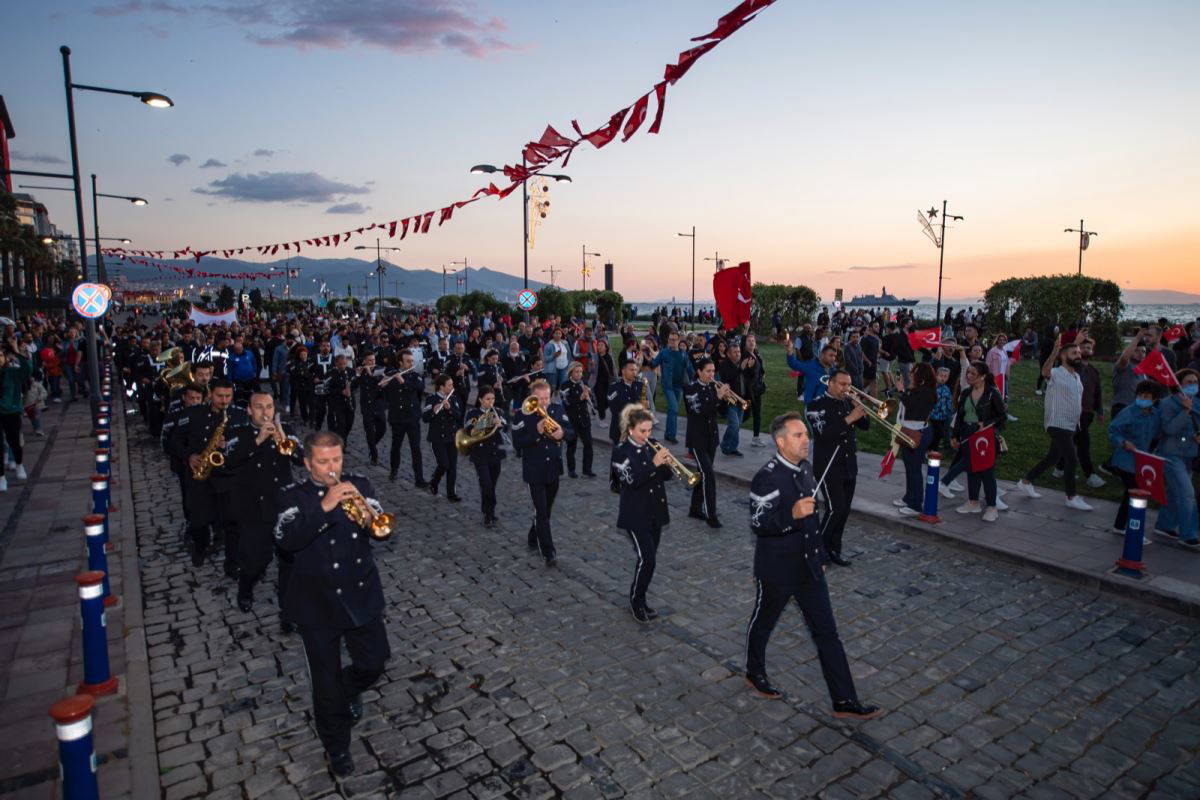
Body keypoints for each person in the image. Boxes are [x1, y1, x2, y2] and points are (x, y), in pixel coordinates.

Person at [742, 411, 882, 720]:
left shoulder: (805, 469)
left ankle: (844, 700)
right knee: (763, 623)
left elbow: (812, 523)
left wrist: (820, 557)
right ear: (781, 442)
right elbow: (759, 524)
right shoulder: (767, 477)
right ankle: (754, 671)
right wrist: (790, 514)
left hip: (808, 568)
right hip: (777, 569)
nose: (806, 440)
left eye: (806, 434)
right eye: (798, 435)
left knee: (828, 633)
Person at [274, 431, 390, 777]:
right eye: (323, 462)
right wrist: (324, 507)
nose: (331, 468)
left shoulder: (360, 484)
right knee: (324, 685)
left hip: (360, 593)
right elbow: (285, 540)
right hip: (317, 602)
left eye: (336, 460)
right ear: (308, 463)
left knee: (374, 662)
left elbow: (380, 527)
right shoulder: (292, 497)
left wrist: (367, 517)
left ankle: (348, 689)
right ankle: (336, 745)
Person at [223, 392, 303, 615]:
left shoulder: (285, 428)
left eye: (269, 407)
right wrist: (258, 440)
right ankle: (245, 590)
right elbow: (229, 460)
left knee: (289, 559)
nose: (265, 412)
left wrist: (282, 439)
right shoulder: (237, 432)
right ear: (249, 410)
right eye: (259, 407)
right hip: (254, 509)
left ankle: (288, 607)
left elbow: (300, 458)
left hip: (283, 506)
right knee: (255, 561)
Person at [167, 378, 247, 568]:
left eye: (228, 396)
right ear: (210, 394)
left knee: (230, 521)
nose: (224, 400)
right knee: (198, 520)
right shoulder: (192, 414)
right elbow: (174, 441)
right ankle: (200, 546)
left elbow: (247, 444)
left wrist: (229, 444)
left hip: (227, 476)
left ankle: (231, 560)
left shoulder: (239, 415)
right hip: (199, 476)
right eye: (220, 396)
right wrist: (188, 456)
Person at [1017, 334, 1093, 511]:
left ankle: (1025, 481)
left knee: (1053, 457)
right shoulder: (1057, 373)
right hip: (1057, 424)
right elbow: (1045, 372)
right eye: (1074, 353)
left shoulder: (1076, 376)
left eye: (1079, 352)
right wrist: (1054, 351)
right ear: (1063, 356)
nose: (1079, 355)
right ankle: (1071, 497)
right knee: (1071, 459)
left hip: (1071, 425)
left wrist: (1076, 343)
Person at [612, 404, 673, 623]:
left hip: (655, 510)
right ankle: (636, 601)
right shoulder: (621, 452)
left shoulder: (652, 445)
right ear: (630, 430)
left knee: (649, 560)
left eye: (649, 430)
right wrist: (653, 464)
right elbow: (632, 482)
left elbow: (666, 477)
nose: (647, 435)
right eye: (642, 431)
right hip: (635, 514)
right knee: (647, 559)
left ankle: (642, 597)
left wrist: (666, 463)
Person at [805, 370, 868, 565]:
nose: (846, 389)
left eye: (849, 384)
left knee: (844, 511)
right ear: (830, 384)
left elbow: (865, 426)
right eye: (842, 384)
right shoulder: (816, 405)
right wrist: (850, 418)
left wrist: (859, 408)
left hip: (849, 464)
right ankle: (816, 552)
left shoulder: (848, 402)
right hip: (829, 465)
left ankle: (833, 549)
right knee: (835, 509)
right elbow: (824, 433)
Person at [512, 379, 572, 565]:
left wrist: (562, 433)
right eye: (540, 399)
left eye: (547, 398)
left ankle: (534, 534)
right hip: (534, 470)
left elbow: (571, 433)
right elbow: (517, 443)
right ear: (532, 398)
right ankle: (548, 552)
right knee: (542, 511)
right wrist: (536, 433)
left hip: (553, 468)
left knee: (546, 510)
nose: (544, 402)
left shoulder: (557, 410)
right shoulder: (522, 415)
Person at [950, 362, 1007, 521]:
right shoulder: (966, 392)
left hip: (985, 436)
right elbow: (959, 416)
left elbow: (1002, 417)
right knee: (972, 469)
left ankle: (992, 506)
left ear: (982, 376)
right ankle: (973, 502)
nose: (968, 376)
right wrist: (955, 436)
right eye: (968, 372)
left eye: (973, 373)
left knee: (987, 471)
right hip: (967, 434)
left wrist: (986, 423)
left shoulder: (992, 393)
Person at [1107, 381, 1163, 536]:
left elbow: (1158, 434)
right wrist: (1123, 442)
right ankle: (1127, 528)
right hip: (1126, 460)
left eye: (1146, 396)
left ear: (1154, 399)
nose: (1142, 399)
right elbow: (1113, 430)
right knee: (1133, 492)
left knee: (1132, 493)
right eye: (1140, 395)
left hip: (1142, 461)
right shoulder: (1129, 412)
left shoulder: (1156, 415)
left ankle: (1122, 526)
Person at [1153, 369, 1199, 547]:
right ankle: (1188, 535)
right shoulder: (1167, 403)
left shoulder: (1197, 402)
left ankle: (1164, 525)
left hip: (1189, 454)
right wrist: (1185, 411)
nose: (1193, 385)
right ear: (1179, 384)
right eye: (1189, 382)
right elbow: (1169, 429)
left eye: (1196, 382)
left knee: (1174, 492)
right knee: (1187, 493)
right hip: (1170, 454)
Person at [683, 359, 727, 528]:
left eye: (713, 371)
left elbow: (719, 412)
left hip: (711, 438)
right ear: (699, 372)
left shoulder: (712, 387)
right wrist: (718, 397)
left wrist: (724, 398)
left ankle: (694, 508)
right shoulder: (690, 389)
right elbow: (699, 410)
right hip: (697, 440)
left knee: (702, 474)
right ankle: (711, 516)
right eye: (708, 371)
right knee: (708, 475)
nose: (711, 374)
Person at [895, 363, 937, 517]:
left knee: (915, 469)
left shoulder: (927, 392)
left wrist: (901, 390)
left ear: (922, 377)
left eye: (914, 373)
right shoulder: (918, 390)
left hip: (917, 432)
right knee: (909, 467)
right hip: (908, 430)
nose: (911, 375)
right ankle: (909, 497)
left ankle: (916, 504)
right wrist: (906, 390)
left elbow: (912, 408)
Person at [464, 386, 506, 527]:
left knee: (491, 484)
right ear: (481, 399)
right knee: (486, 484)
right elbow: (470, 430)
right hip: (480, 454)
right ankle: (488, 514)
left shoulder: (498, 411)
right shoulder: (473, 413)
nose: (491, 402)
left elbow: (506, 426)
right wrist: (488, 422)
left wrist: (500, 424)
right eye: (487, 399)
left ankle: (489, 511)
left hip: (495, 453)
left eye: (493, 399)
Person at [382, 351, 426, 485]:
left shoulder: (415, 376)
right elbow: (382, 392)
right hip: (397, 418)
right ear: (401, 362)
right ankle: (394, 470)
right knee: (396, 446)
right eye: (408, 361)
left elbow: (419, 388)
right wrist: (384, 384)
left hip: (412, 417)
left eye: (412, 361)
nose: (411, 363)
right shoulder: (392, 375)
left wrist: (402, 381)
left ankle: (419, 478)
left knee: (416, 448)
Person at [422, 374, 463, 502]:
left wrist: (449, 408)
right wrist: (434, 410)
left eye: (452, 384)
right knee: (444, 464)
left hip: (451, 437)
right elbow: (425, 418)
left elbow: (458, 415)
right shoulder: (431, 399)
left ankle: (451, 494)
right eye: (449, 385)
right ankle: (434, 482)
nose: (452, 387)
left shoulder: (453, 398)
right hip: (437, 438)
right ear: (441, 387)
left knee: (452, 467)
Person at [607, 360, 645, 490]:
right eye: (631, 370)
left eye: (635, 370)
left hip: (636, 428)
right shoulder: (615, 387)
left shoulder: (639, 385)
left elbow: (644, 403)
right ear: (623, 371)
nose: (634, 372)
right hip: (620, 428)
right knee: (618, 455)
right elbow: (614, 410)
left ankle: (632, 480)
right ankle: (615, 482)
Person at [0, 341, 33, 489]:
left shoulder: (12, 373)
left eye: (1, 355)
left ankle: (19, 464)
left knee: (14, 441)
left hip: (11, 412)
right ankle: (1, 477)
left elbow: (27, 369)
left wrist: (16, 352)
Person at [652, 332, 693, 444]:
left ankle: (668, 434)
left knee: (672, 409)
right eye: (670, 339)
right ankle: (671, 435)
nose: (671, 341)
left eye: (674, 339)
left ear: (679, 341)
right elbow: (654, 363)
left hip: (679, 386)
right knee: (674, 408)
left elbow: (689, 368)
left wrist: (696, 379)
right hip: (668, 386)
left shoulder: (683, 354)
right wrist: (646, 356)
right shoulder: (664, 352)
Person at [560, 361, 596, 479]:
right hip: (572, 420)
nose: (579, 374)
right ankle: (571, 470)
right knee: (572, 445)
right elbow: (567, 402)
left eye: (581, 372)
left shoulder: (583, 383)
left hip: (584, 419)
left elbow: (591, 401)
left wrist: (589, 395)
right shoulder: (565, 385)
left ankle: (587, 470)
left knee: (588, 444)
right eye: (577, 372)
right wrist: (581, 397)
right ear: (571, 373)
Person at [353, 353, 387, 465]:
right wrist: (357, 375)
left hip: (378, 405)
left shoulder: (379, 370)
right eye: (370, 360)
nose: (372, 362)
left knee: (382, 429)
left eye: (373, 360)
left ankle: (372, 444)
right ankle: (374, 454)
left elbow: (379, 383)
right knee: (369, 432)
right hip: (366, 406)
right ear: (365, 361)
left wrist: (370, 373)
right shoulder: (361, 372)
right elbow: (353, 386)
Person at [786, 341, 839, 405]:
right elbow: (794, 364)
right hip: (812, 405)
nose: (833, 358)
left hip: (828, 404)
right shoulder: (811, 366)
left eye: (835, 356)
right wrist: (789, 351)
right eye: (830, 355)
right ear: (822, 355)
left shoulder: (833, 370)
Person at [741, 335, 767, 447]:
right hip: (749, 391)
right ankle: (732, 430)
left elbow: (759, 370)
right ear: (745, 343)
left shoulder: (756, 354)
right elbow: (744, 372)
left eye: (753, 341)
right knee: (745, 414)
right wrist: (749, 367)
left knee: (756, 414)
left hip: (756, 389)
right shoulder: (745, 356)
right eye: (749, 341)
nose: (751, 342)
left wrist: (762, 375)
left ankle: (756, 438)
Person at [309, 341, 336, 430]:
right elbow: (308, 371)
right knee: (321, 409)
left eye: (328, 346)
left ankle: (331, 429)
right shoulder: (314, 358)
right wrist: (314, 378)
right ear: (320, 347)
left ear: (330, 348)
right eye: (324, 346)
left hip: (331, 388)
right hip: (319, 387)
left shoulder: (334, 359)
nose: (326, 348)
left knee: (332, 409)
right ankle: (318, 424)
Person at [593, 339, 615, 421]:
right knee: (600, 399)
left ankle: (598, 409)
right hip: (597, 382)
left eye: (601, 345)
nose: (599, 347)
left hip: (607, 382)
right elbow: (590, 370)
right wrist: (591, 365)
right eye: (598, 345)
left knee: (606, 400)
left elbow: (612, 369)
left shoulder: (609, 357)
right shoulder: (595, 357)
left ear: (606, 347)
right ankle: (601, 418)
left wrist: (613, 379)